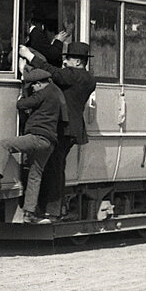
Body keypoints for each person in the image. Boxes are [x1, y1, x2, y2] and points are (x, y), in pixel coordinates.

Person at [0, 67, 66, 223]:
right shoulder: (55, 93)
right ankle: (29, 213)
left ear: (40, 83)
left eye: (34, 86)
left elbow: (22, 104)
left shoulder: (44, 92)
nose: (33, 89)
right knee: (35, 175)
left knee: (4, 144)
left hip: (37, 137)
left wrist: (21, 96)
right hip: (49, 142)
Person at [32, 41, 96, 219]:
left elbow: (53, 72)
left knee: (54, 168)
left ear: (77, 62)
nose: (65, 61)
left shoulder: (77, 76)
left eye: (68, 58)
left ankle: (52, 210)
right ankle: (50, 208)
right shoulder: (86, 78)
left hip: (65, 129)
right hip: (71, 129)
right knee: (55, 167)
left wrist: (30, 57)